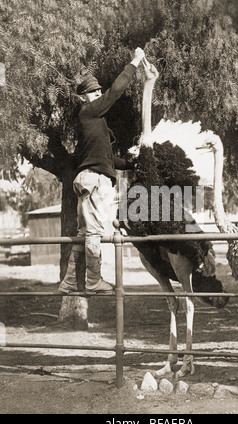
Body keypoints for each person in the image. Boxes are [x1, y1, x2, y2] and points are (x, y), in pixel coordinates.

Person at [59, 47, 145, 295]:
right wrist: (135, 62)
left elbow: (107, 159)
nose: (98, 93)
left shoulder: (94, 121)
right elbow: (115, 92)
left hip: (89, 178)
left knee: (84, 233)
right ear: (82, 97)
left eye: (98, 90)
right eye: (93, 91)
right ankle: (94, 281)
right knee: (95, 233)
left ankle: (70, 282)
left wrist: (131, 163)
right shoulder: (90, 111)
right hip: (95, 181)